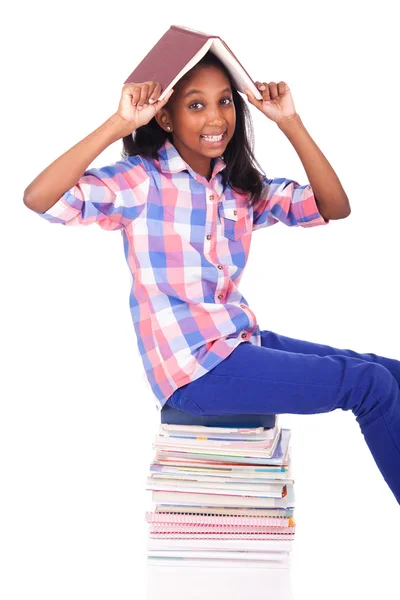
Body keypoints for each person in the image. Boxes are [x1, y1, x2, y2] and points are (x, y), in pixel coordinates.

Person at [23, 52, 400, 504]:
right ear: (164, 116)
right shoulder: (142, 182)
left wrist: (290, 122)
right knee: (369, 386)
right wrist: (117, 125)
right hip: (194, 371)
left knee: (389, 372)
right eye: (196, 105)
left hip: (238, 342)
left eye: (225, 102)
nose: (217, 117)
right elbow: (41, 199)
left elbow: (332, 206)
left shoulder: (238, 186)